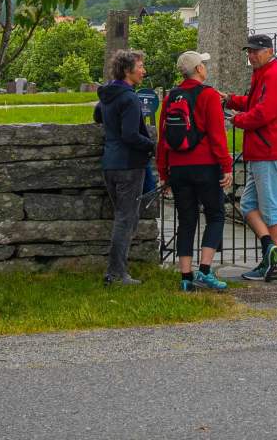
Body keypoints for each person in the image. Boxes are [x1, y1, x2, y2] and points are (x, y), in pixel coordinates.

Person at [156, 49, 233, 292]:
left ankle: (186, 277)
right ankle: (205, 271)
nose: (205, 68)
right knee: (215, 216)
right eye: (203, 64)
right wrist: (226, 165)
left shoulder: (170, 97)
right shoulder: (208, 95)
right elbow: (217, 135)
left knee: (186, 221)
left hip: (178, 167)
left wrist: (164, 173)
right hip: (205, 165)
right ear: (199, 69)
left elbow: (163, 138)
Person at [227, 33, 277, 282]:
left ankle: (272, 265)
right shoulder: (263, 73)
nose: (251, 55)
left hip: (270, 151)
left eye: (255, 51)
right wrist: (231, 100)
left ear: (269, 51)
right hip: (261, 151)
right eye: (249, 51)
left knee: (272, 209)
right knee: (248, 205)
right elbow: (255, 102)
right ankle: (269, 249)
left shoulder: (274, 75)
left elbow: (264, 112)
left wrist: (238, 120)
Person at [93, 49, 154, 286]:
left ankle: (117, 271)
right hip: (129, 164)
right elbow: (130, 135)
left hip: (110, 162)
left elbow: (98, 116)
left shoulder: (108, 93)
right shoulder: (129, 98)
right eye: (140, 67)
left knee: (124, 216)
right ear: (128, 70)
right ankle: (116, 273)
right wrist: (152, 145)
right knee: (126, 219)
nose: (143, 71)